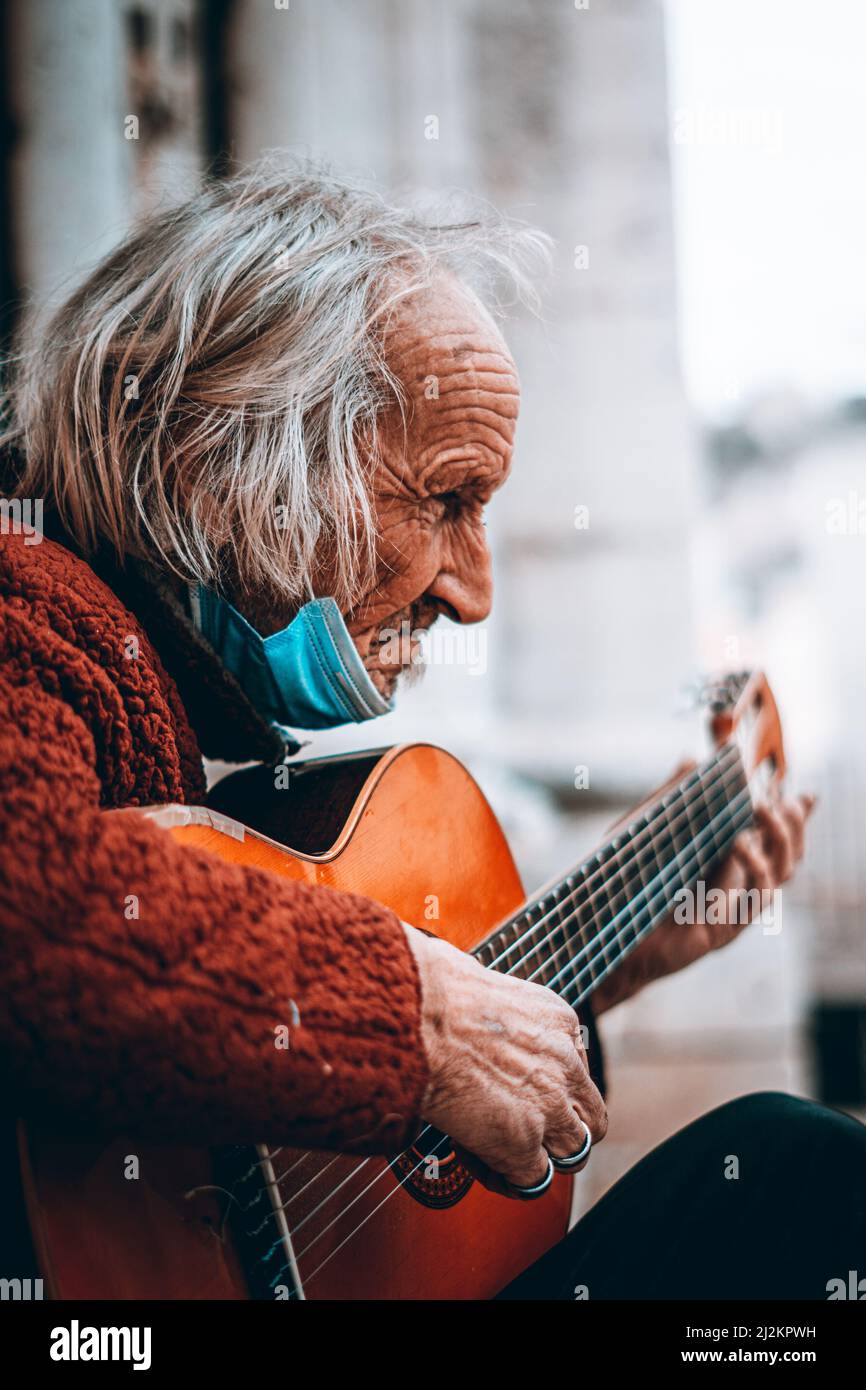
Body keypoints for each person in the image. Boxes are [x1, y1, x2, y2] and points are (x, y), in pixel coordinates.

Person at [0, 161, 860, 1299]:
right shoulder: (25, 602)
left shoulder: (137, 678)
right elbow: (33, 904)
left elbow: (240, 1062)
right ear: (217, 465)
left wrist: (583, 977)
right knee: (793, 1177)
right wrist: (417, 1016)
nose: (473, 592)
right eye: (445, 499)